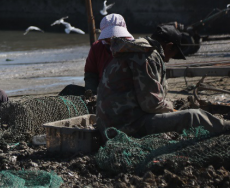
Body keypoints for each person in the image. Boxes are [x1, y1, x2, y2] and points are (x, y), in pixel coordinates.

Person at [95, 24, 229, 137]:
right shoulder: (147, 55)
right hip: (126, 127)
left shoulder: (131, 50)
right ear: (169, 46)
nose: (169, 59)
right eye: (173, 54)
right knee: (192, 117)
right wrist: (171, 106)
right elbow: (151, 105)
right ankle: (225, 128)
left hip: (108, 124)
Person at [84, 14, 134, 94]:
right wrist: (92, 94)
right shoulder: (97, 47)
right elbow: (91, 73)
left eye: (118, 36)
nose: (113, 39)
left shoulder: (133, 48)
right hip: (103, 91)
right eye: (110, 37)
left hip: (127, 92)